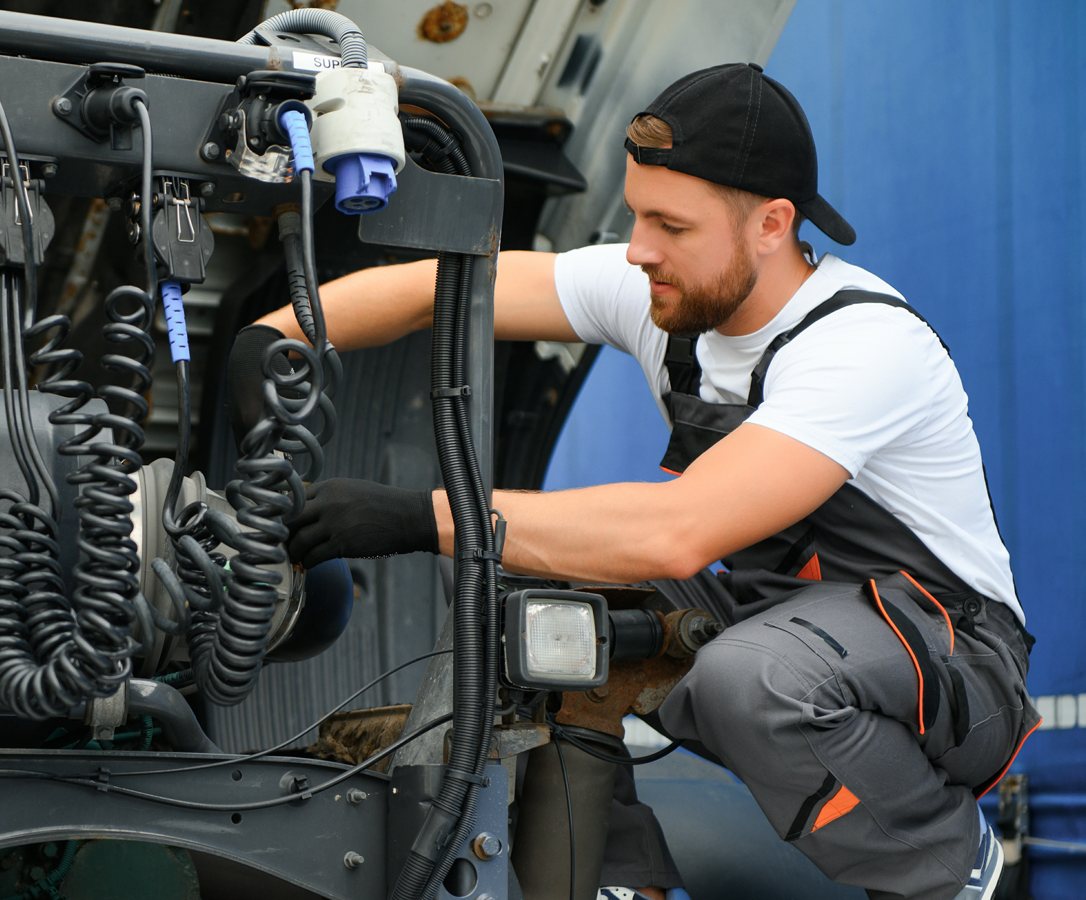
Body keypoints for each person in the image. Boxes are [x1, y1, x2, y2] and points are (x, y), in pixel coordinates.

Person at [229, 64, 1038, 900]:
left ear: (772, 224)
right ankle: (618, 880)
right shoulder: (669, 292)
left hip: (952, 669)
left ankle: (946, 867)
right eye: (636, 214)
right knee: (517, 581)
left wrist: (419, 515)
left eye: (671, 224)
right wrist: (277, 335)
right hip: (780, 619)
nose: (640, 247)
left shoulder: (860, 345)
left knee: (746, 680)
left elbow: (675, 533)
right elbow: (437, 289)